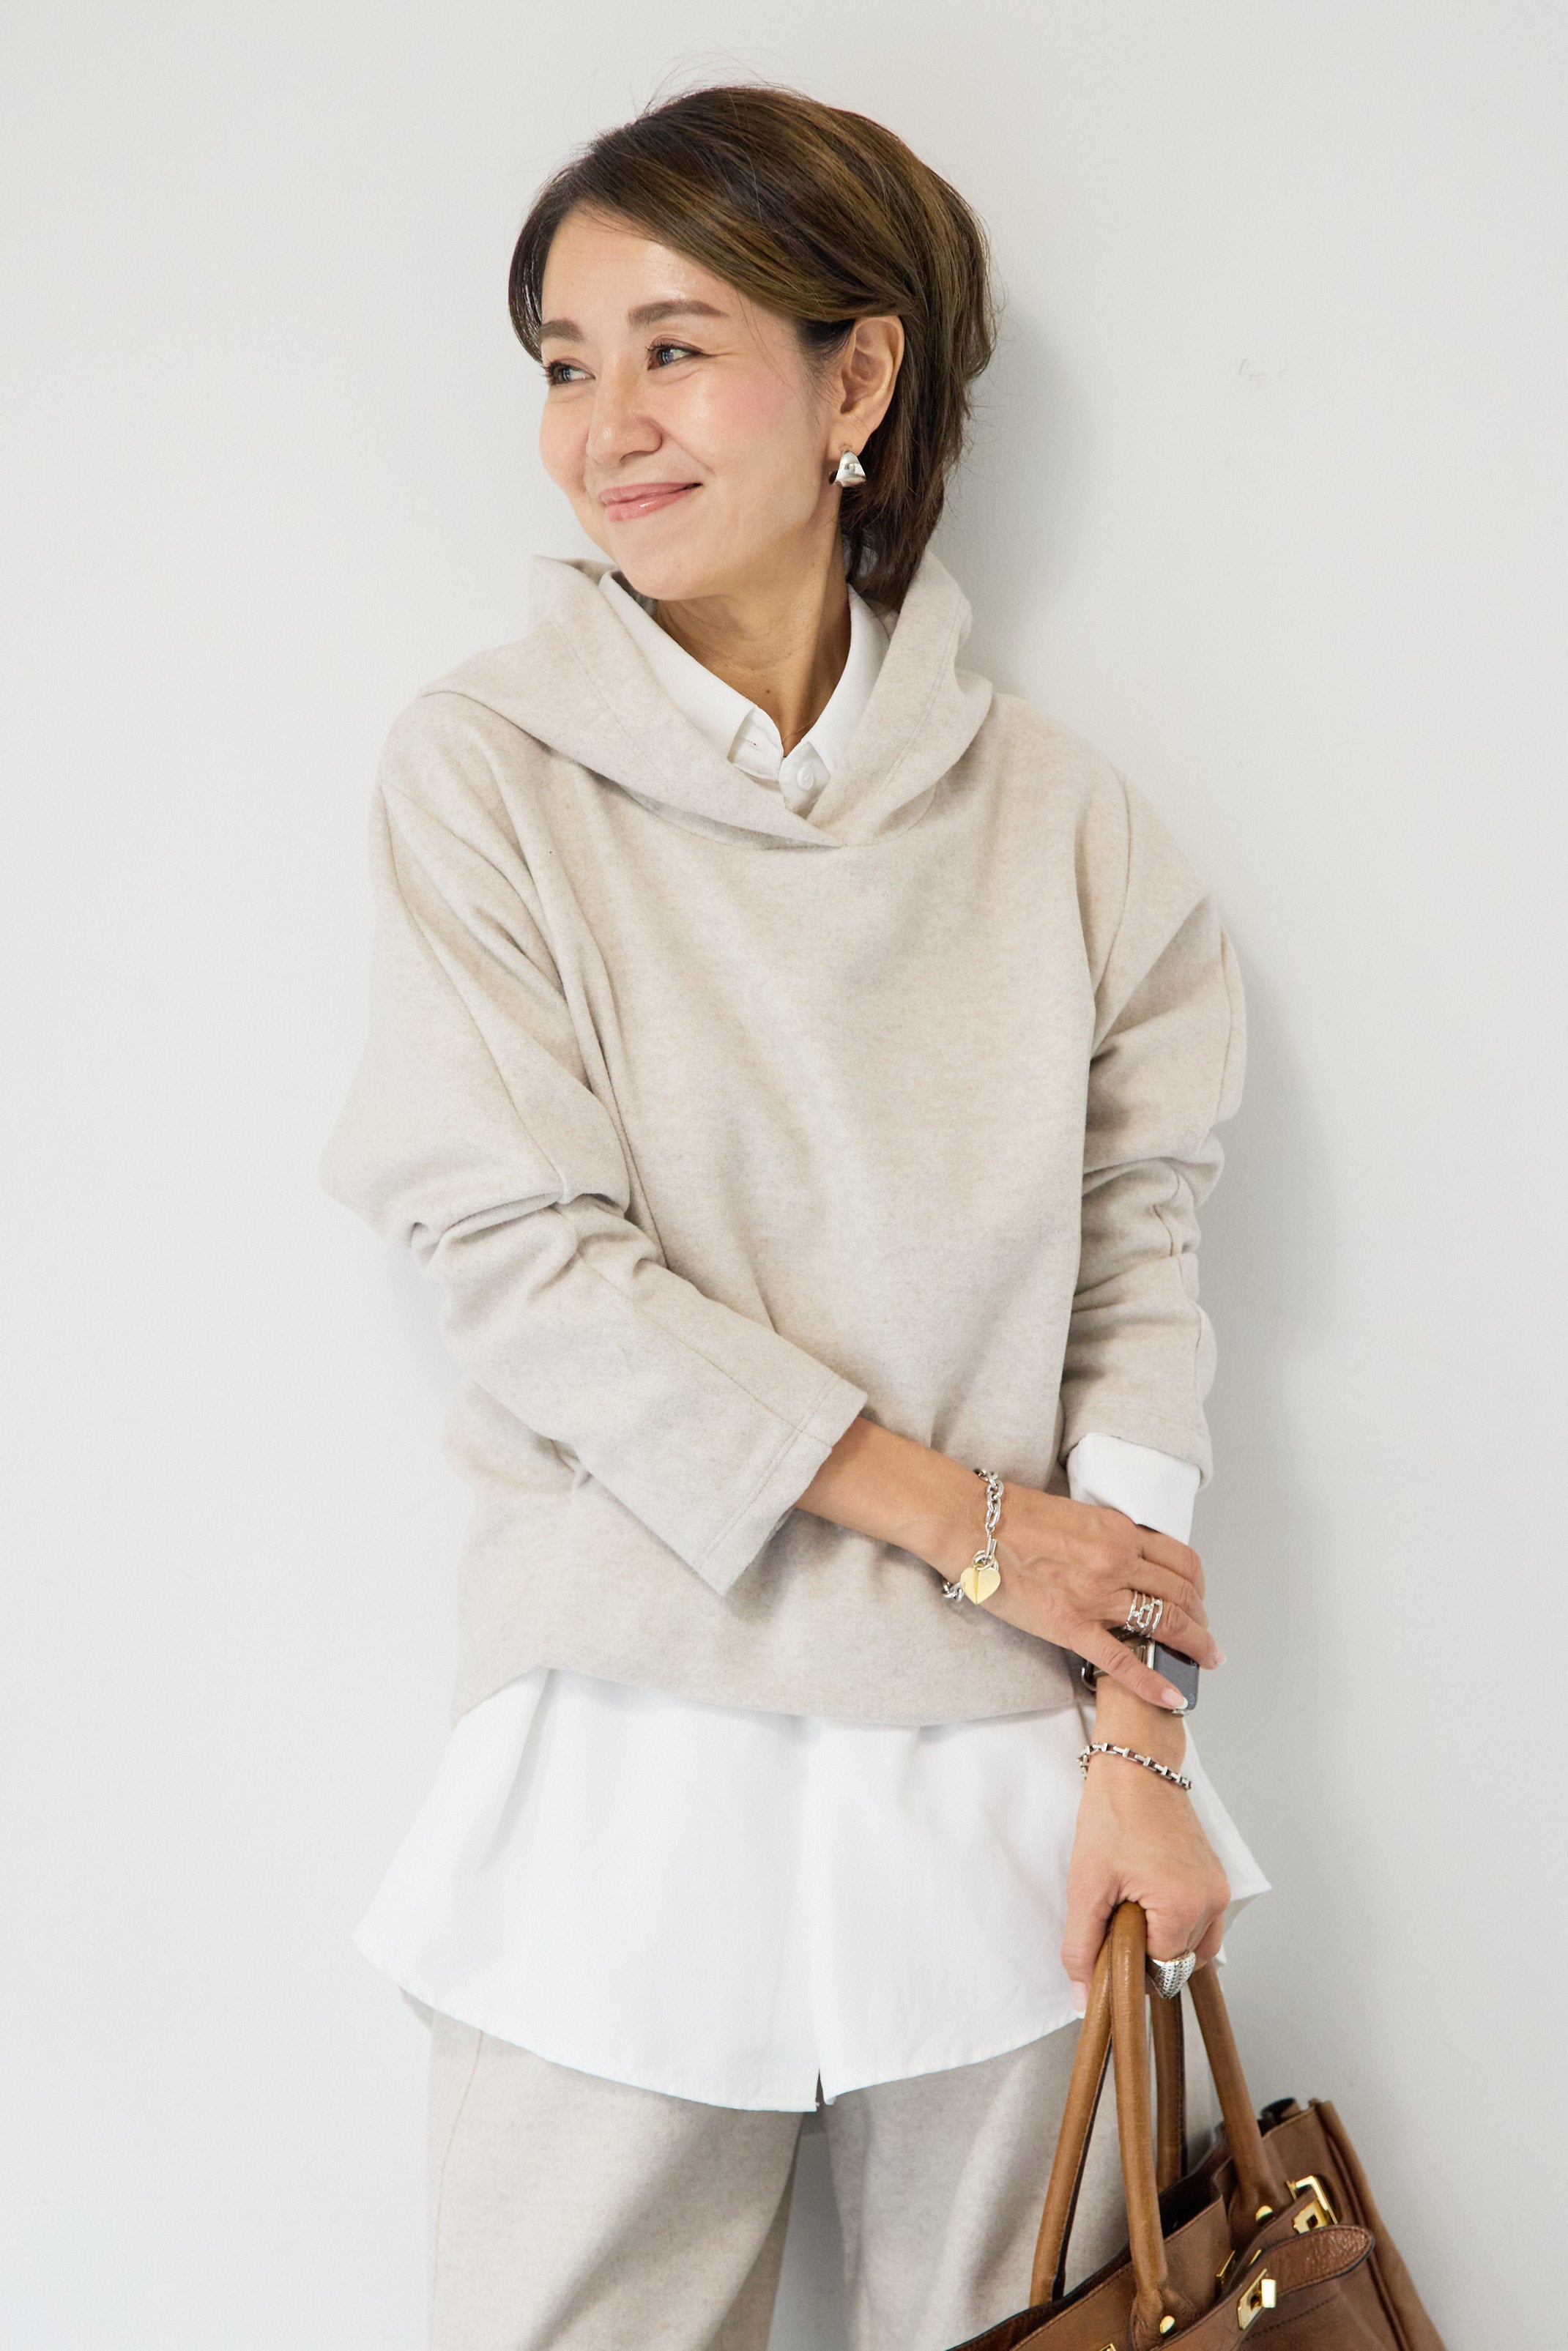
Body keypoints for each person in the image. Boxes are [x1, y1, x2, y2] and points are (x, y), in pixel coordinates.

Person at [322, 81, 1268, 2351]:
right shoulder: (488, 774)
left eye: (675, 347)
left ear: (860, 386)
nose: (604, 429)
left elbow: (1139, 1286)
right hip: (626, 1740)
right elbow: (526, 1271)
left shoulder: (1067, 826)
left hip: (1007, 1781)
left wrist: (1138, 1755)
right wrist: (972, 1526)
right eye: (566, 362)